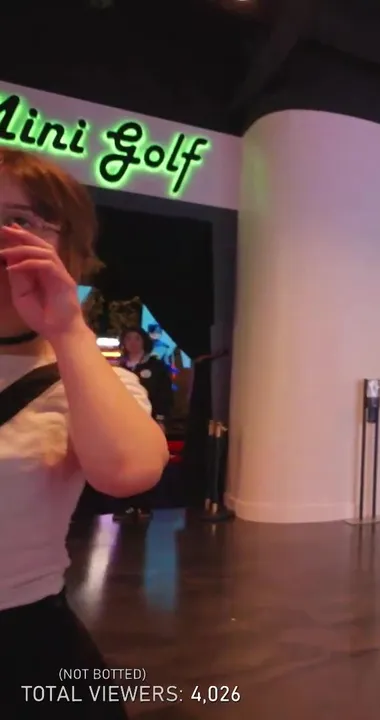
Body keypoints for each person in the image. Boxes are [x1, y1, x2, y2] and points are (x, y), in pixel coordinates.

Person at [0, 149, 169, 717]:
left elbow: (129, 473)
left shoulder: (87, 377)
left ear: (66, 248)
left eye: (18, 220)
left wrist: (67, 328)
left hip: (24, 645)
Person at [111, 326, 174, 521]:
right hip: (122, 424)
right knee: (123, 464)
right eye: (128, 338)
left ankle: (144, 504)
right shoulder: (118, 368)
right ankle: (126, 505)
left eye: (137, 338)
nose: (132, 343)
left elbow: (164, 395)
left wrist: (161, 419)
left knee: (145, 463)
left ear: (144, 341)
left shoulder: (156, 366)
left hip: (148, 422)